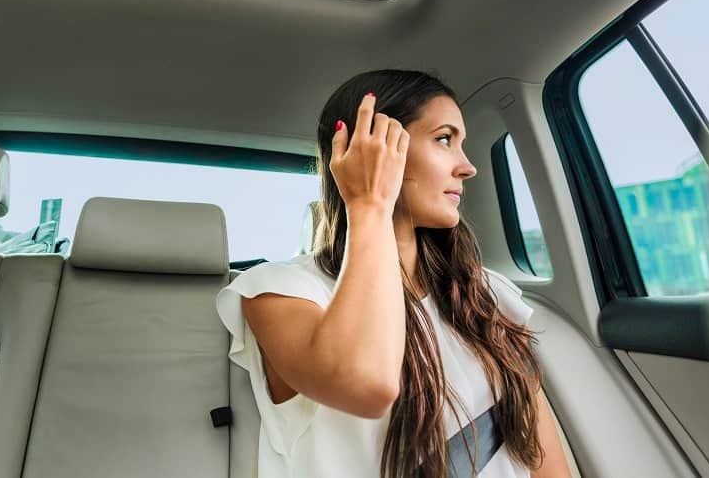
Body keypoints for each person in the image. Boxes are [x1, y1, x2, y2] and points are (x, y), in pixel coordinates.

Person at [216, 70, 571, 477]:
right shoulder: (279, 291)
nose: (467, 167)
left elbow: (539, 456)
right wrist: (368, 203)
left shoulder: (486, 293)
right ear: (374, 147)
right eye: (444, 139)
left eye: (462, 144)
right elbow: (367, 385)